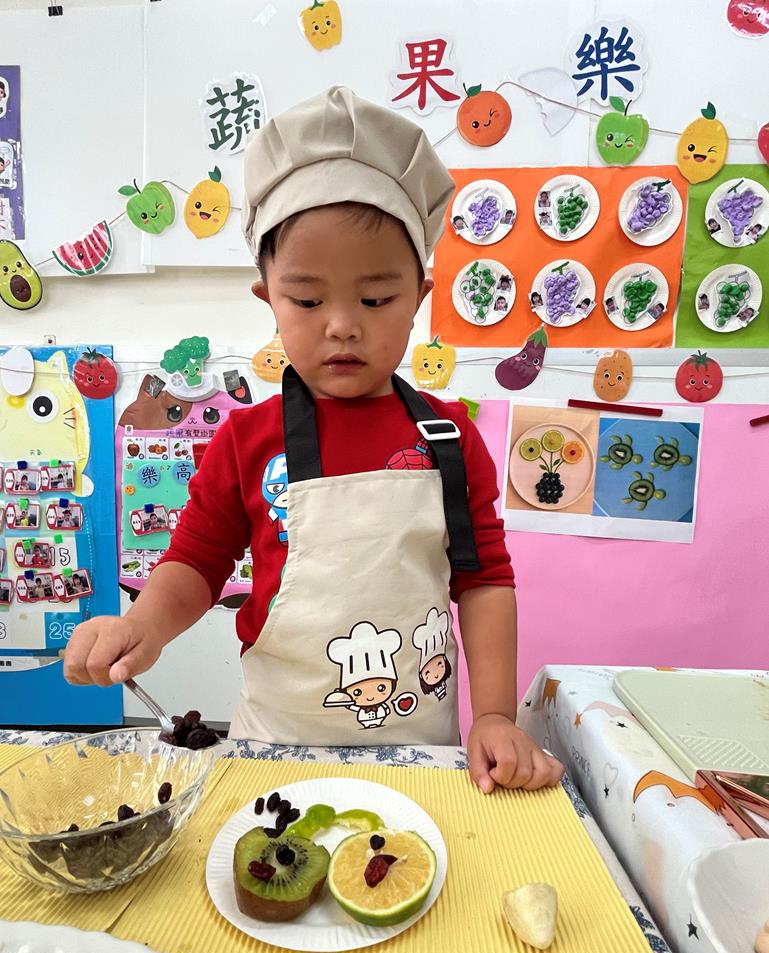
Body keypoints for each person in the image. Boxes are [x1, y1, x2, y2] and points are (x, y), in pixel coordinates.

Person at [63, 86, 562, 794]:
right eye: (306, 299)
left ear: (418, 299)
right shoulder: (246, 438)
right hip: (274, 747)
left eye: (375, 298)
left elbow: (482, 581)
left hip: (422, 754)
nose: (342, 324)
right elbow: (198, 562)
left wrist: (493, 715)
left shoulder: (449, 438)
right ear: (268, 297)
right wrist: (142, 623)